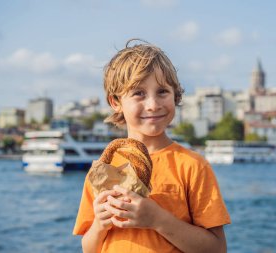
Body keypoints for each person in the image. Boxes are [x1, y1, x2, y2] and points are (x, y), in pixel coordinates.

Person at [73, 39, 231, 253]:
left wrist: (158, 220)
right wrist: (100, 226)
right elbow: (88, 248)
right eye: (139, 93)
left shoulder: (193, 166)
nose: (153, 104)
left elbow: (216, 249)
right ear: (115, 101)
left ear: (175, 95)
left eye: (162, 92)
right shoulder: (103, 168)